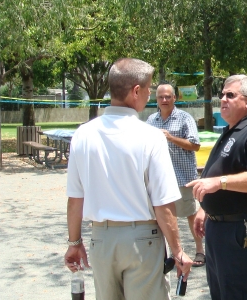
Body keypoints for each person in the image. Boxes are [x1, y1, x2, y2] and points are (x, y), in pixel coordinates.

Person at [64, 58, 192, 299]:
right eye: (148, 89)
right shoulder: (150, 136)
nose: (149, 96)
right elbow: (163, 204)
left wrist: (74, 242)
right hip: (142, 239)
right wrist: (178, 250)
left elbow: (75, 199)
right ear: (136, 91)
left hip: (101, 239)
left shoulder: (83, 134)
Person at [188, 75, 247, 300]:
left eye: (230, 95)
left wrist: (218, 183)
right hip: (219, 229)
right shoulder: (230, 131)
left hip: (240, 230)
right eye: (222, 95)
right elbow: (216, 172)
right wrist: (204, 208)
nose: (223, 100)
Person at [147, 83, 205, 267]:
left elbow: (195, 145)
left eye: (167, 97)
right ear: (156, 99)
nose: (164, 100)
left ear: (174, 98)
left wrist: (170, 137)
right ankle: (167, 254)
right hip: (159, 179)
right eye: (160, 97)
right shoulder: (151, 120)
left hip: (183, 177)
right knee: (159, 217)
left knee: (190, 215)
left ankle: (200, 251)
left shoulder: (184, 118)